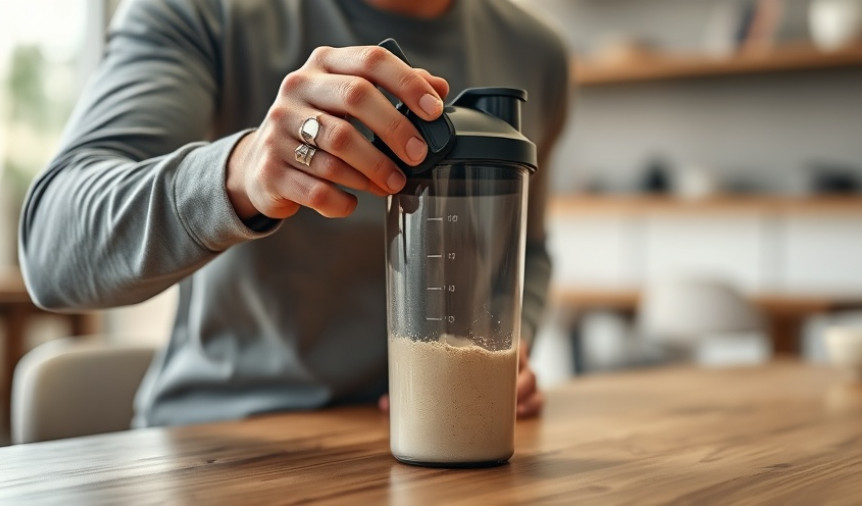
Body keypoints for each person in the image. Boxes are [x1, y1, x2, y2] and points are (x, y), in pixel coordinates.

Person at [18, 0, 569, 427]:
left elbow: (528, 248)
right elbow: (51, 248)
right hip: (222, 450)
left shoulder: (536, 52)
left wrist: (504, 342)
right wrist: (240, 173)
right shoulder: (204, 12)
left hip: (430, 443)